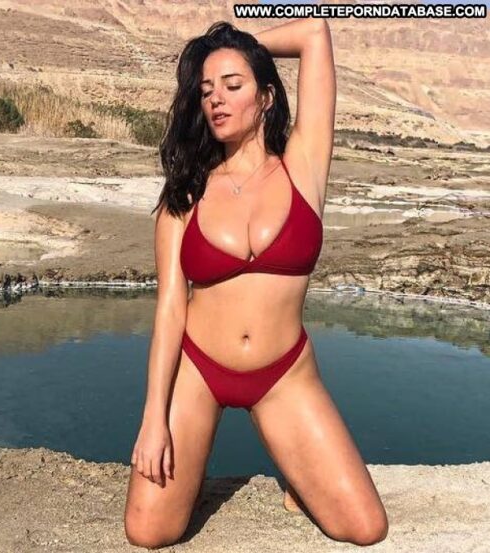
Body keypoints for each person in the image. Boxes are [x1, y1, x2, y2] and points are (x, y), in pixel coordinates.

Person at [124, 18, 388, 549]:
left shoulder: (303, 166)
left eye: (232, 84)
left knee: (364, 528)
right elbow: (170, 309)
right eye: (205, 89)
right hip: (199, 369)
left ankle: (296, 477)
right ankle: (195, 463)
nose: (215, 98)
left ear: (266, 97)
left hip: (283, 373)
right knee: (149, 531)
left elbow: (314, 33)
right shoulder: (185, 195)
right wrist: (154, 419)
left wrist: (230, 46)